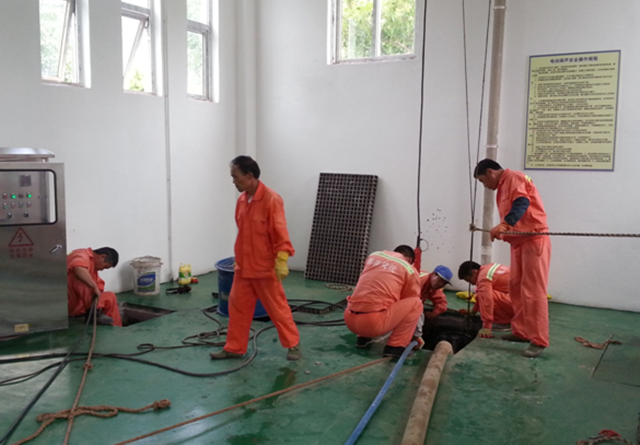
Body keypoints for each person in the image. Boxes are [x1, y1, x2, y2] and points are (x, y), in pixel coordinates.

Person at [210, 156, 301, 361]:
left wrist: (282, 259)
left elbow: (280, 232)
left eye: (235, 176)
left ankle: (293, 345)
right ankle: (234, 348)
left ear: (249, 176)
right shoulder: (242, 201)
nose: (233, 181)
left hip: (265, 269)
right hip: (244, 268)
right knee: (237, 308)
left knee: (277, 309)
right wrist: (240, 257)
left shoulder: (271, 199)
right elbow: (244, 233)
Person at [474, 158, 551, 358]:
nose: (485, 186)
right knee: (515, 288)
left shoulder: (514, 178)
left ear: (490, 172)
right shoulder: (502, 187)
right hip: (518, 243)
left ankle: (538, 340)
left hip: (533, 240)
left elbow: (522, 202)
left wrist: (505, 224)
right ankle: (522, 331)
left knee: (533, 291)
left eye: (483, 181)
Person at [344, 245, 424, 358]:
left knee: (371, 296)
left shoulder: (374, 256)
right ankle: (396, 347)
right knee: (416, 303)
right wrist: (415, 335)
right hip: (373, 324)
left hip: (349, 318)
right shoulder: (409, 269)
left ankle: (363, 339)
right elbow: (408, 299)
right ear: (410, 260)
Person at [457, 261, 514, 338]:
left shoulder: (483, 277)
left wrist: (487, 326)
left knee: (485, 295)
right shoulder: (489, 268)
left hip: (520, 306)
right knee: (482, 292)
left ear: (474, 272)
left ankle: (503, 322)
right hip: (523, 304)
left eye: (469, 280)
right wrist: (473, 311)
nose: (471, 284)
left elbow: (486, 300)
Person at [67, 247, 122, 326]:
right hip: (66, 304)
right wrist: (94, 287)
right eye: (104, 267)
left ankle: (116, 328)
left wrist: (97, 290)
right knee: (82, 281)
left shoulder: (92, 266)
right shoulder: (82, 255)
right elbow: (78, 270)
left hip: (80, 304)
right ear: (102, 257)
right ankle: (93, 312)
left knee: (110, 296)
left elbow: (99, 284)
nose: (102, 270)